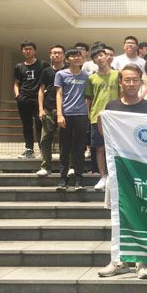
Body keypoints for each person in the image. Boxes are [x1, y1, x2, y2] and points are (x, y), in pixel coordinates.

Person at [98, 64, 147, 280]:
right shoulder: (112, 106)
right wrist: (101, 118)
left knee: (142, 214)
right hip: (119, 171)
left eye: (135, 79)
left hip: (143, 172)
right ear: (120, 82)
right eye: (127, 80)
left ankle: (142, 261)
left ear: (141, 82)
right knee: (119, 216)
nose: (131, 83)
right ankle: (119, 261)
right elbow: (103, 132)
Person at [84, 47, 120, 191]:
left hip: (116, 117)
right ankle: (102, 176)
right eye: (96, 57)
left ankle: (115, 175)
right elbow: (88, 99)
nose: (99, 58)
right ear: (93, 61)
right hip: (96, 117)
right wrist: (88, 116)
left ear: (107, 56)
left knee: (116, 148)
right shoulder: (91, 78)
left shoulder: (118, 75)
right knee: (99, 148)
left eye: (101, 55)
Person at [54, 48, 89, 191]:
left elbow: (88, 97)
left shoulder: (87, 76)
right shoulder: (61, 74)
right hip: (66, 115)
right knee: (65, 147)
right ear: (67, 59)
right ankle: (63, 178)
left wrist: (88, 114)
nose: (76, 58)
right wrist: (59, 114)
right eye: (73, 56)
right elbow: (59, 94)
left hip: (82, 115)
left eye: (78, 56)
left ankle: (79, 179)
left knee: (80, 148)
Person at [13, 41, 50, 159]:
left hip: (39, 99)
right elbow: (16, 83)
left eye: (30, 49)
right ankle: (29, 150)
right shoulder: (19, 66)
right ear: (22, 51)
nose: (27, 51)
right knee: (26, 124)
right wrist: (18, 96)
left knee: (40, 123)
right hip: (24, 99)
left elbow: (50, 79)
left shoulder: (43, 64)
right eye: (25, 49)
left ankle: (42, 150)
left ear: (35, 51)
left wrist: (46, 92)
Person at [36, 44, 65, 177]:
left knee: (66, 140)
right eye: (54, 53)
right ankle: (45, 167)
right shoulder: (46, 71)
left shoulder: (68, 70)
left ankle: (68, 167)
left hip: (65, 110)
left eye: (59, 53)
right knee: (45, 139)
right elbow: (41, 91)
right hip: (48, 109)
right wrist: (40, 109)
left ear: (64, 55)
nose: (56, 55)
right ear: (50, 55)